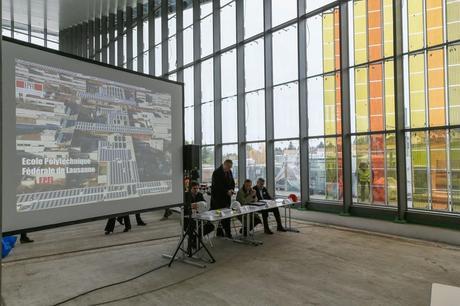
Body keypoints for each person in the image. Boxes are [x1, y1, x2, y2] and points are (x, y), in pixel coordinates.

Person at [184, 181, 214, 249]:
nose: (196, 190)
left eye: (198, 188)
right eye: (194, 188)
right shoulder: (185, 195)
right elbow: (182, 206)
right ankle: (195, 240)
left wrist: (203, 205)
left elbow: (204, 203)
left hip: (198, 217)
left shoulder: (200, 194)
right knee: (193, 228)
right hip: (187, 219)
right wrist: (191, 206)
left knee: (211, 226)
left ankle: (195, 239)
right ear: (190, 188)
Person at [210, 160, 235, 238]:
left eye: (230, 167)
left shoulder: (229, 172)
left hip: (227, 198)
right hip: (218, 199)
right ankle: (226, 232)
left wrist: (231, 190)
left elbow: (232, 182)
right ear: (224, 164)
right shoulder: (216, 172)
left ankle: (223, 232)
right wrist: (226, 191)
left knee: (227, 215)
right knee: (220, 215)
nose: (229, 168)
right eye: (228, 167)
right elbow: (217, 186)